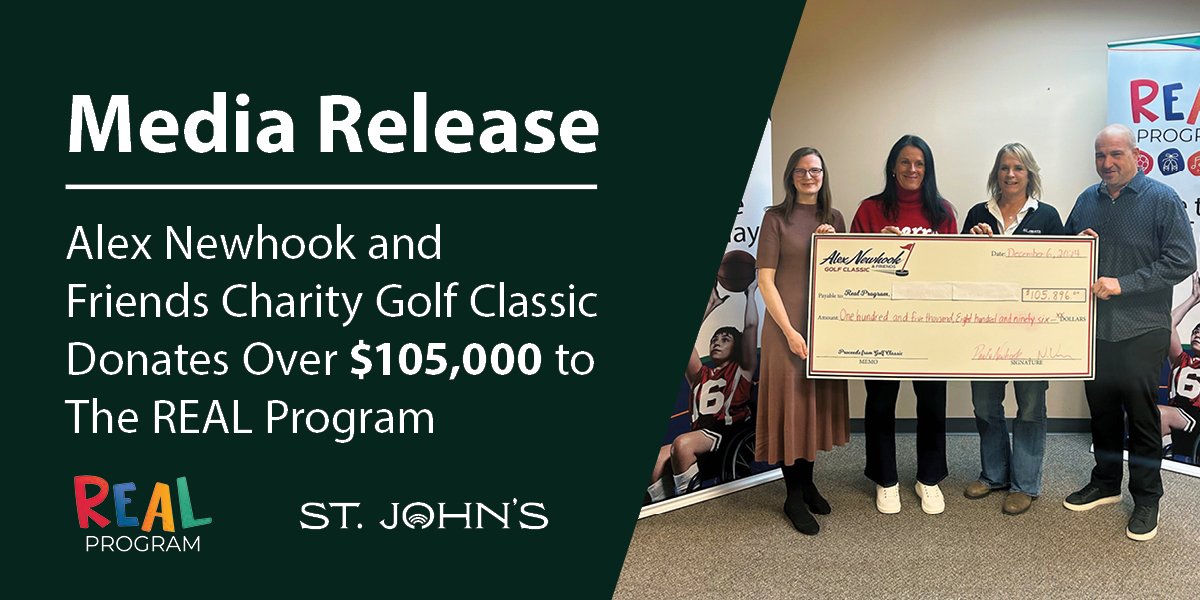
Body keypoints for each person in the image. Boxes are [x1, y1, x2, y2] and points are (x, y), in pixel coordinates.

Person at [1062, 124, 1196, 541]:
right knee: (1100, 411)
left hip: (1142, 328)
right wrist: (1075, 242)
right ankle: (1104, 482)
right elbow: (1063, 251)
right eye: (1101, 155)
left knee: (1141, 418)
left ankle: (1146, 499)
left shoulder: (1162, 200)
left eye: (1116, 154)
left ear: (1136, 155)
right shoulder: (1087, 200)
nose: (1107, 163)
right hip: (1096, 329)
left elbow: (1182, 260)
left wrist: (1125, 283)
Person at [850, 134, 957, 515]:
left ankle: (928, 479)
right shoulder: (870, 210)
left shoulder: (942, 212)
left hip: (929, 324)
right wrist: (878, 249)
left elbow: (952, 271)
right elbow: (850, 272)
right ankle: (885, 478)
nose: (913, 169)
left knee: (932, 402)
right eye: (906, 162)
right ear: (893, 167)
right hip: (881, 323)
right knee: (880, 402)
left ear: (927, 170)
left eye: (920, 164)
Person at [960, 143, 1064, 515]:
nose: (1010, 174)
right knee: (986, 405)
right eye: (1004, 167)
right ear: (996, 173)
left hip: (1031, 330)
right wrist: (972, 246)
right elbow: (960, 271)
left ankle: (1025, 484)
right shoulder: (977, 214)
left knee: (1031, 407)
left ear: (1029, 174)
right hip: (985, 328)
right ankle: (994, 475)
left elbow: (1061, 271)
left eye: (1018, 167)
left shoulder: (1048, 217)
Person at [755, 147, 850, 535]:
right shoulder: (775, 219)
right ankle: (792, 495)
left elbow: (846, 277)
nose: (808, 176)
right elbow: (765, 279)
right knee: (790, 410)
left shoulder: (835, 218)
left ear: (824, 174)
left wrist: (831, 245)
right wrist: (791, 332)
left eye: (815, 170)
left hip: (823, 329)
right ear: (790, 176)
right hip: (784, 331)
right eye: (800, 170)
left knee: (812, 408)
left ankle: (808, 482)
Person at [647, 282, 758, 502]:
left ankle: (689, 501)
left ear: (736, 347)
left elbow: (751, 327)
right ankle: (664, 506)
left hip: (727, 433)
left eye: (725, 339)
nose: (717, 342)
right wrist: (710, 305)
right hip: (701, 435)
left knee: (682, 443)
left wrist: (751, 293)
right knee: (658, 458)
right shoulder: (701, 373)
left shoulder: (742, 369)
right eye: (714, 339)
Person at [1160, 273, 1200, 462]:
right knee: (1138, 414)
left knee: (1156, 414)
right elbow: (1169, 324)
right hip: (1178, 414)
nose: (1197, 334)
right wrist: (1193, 299)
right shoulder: (1181, 359)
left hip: (1196, 416)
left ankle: (1167, 450)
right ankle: (1167, 447)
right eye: (1195, 331)